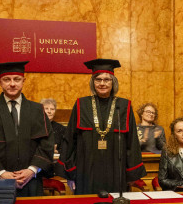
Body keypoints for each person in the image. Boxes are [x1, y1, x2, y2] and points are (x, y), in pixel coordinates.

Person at [59, 59, 146, 194]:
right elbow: (70, 140)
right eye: (98, 80)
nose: (102, 83)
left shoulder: (124, 106)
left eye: (107, 80)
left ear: (113, 82)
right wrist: (70, 173)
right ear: (93, 82)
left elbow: (132, 143)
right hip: (85, 171)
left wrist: (131, 175)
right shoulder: (81, 105)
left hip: (116, 172)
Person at [0, 61, 54, 197]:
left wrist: (32, 170)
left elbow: (47, 142)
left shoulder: (37, 110)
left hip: (30, 181)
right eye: (6, 79)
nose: (12, 84)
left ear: (23, 81)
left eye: (17, 79)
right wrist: (1, 173)